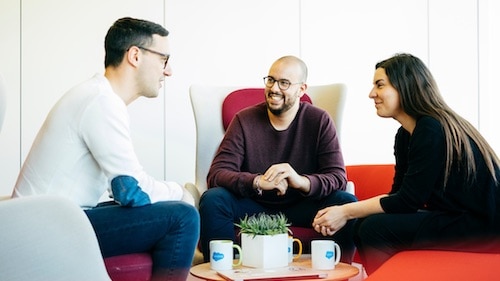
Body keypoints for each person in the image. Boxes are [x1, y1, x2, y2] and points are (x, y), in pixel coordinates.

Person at [12, 17, 199, 281]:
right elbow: (133, 191)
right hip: (45, 231)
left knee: (166, 211)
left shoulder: (98, 96)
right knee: (183, 217)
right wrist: (180, 192)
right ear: (135, 55)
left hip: (51, 221)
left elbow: (123, 190)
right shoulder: (101, 102)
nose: (168, 71)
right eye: (164, 60)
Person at [312, 53, 500, 274]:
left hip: (483, 226)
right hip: (455, 218)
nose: (372, 94)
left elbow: (407, 201)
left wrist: (345, 211)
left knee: (374, 229)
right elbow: (398, 196)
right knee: (365, 225)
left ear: (404, 86)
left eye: (379, 85)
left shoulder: (431, 128)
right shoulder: (405, 135)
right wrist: (351, 214)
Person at [199, 55, 357, 264]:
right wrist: (257, 182)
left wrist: (300, 181)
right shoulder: (243, 120)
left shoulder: (319, 120)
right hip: (254, 206)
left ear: (302, 89)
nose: (274, 88)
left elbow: (337, 177)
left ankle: (339, 272)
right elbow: (217, 174)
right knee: (213, 200)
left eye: (284, 83)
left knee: (345, 203)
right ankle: (224, 270)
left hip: (304, 206)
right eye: (271, 80)